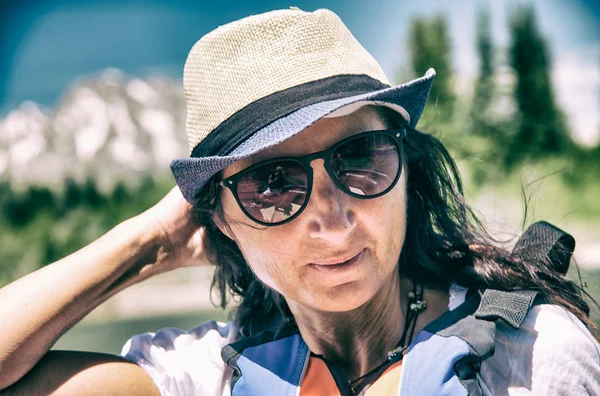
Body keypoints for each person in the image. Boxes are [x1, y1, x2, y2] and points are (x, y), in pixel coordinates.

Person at [0, 7, 599, 396]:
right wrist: (147, 244)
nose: (333, 219)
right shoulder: (205, 377)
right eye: (271, 183)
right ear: (222, 220)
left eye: (360, 157)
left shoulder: (530, 360)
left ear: (406, 168)